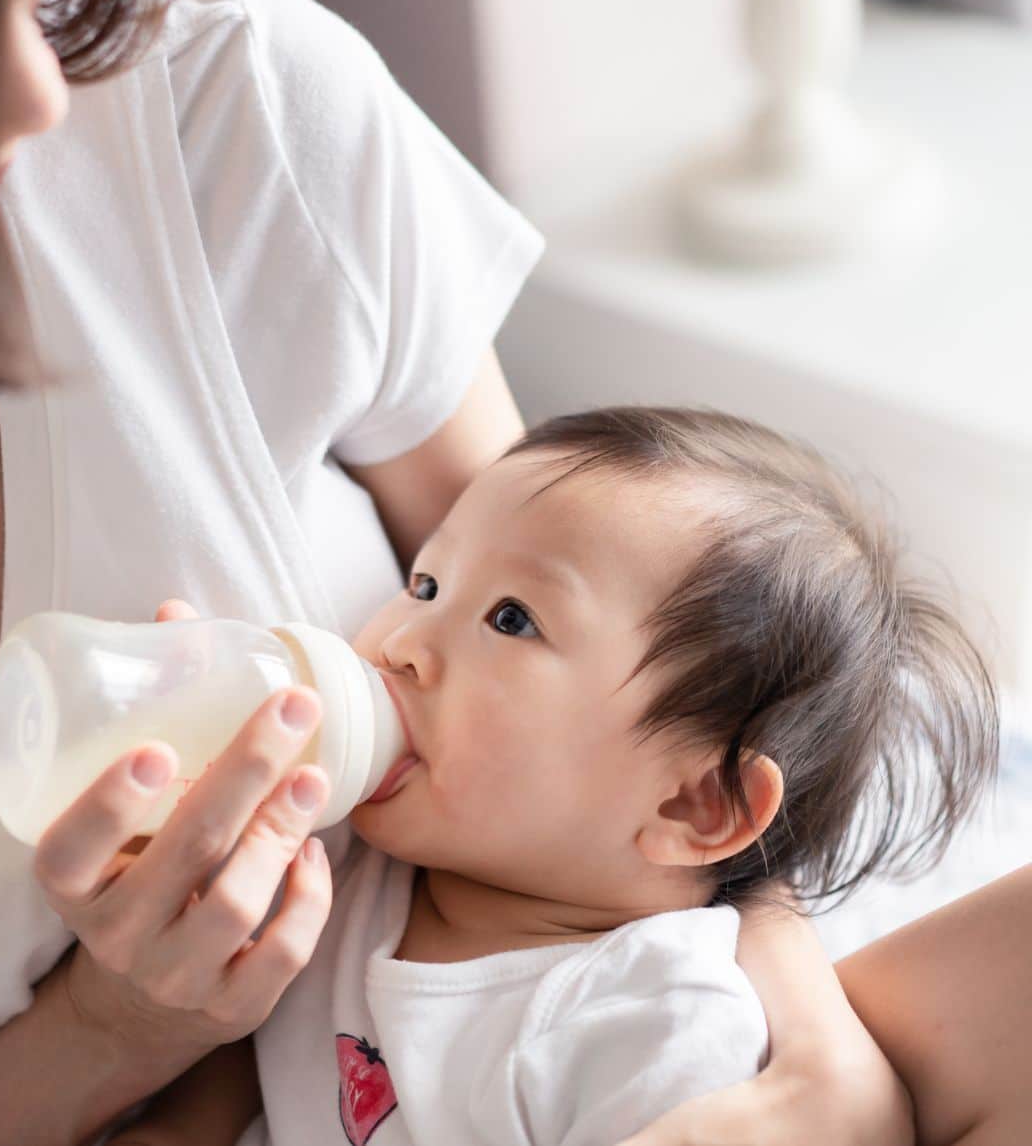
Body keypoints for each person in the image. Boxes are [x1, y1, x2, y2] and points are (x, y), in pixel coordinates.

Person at [0, 0, 987, 1144]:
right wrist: (114, 1029)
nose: (39, 85)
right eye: (424, 582)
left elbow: (659, 626)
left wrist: (809, 1046)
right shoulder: (368, 889)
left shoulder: (627, 1014)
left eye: (496, 614)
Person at [97, 407, 997, 1146]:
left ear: (693, 802)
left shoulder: (655, 1028)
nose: (401, 647)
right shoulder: (359, 873)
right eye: (425, 585)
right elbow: (236, 1058)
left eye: (511, 619)